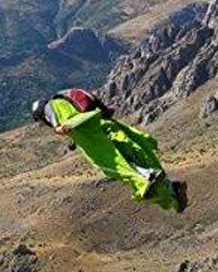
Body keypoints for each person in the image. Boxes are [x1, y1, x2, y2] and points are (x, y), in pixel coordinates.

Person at [31, 89, 188, 213]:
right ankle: (172, 190)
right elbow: (92, 107)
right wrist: (73, 141)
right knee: (133, 155)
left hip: (92, 133)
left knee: (111, 165)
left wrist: (59, 129)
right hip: (105, 124)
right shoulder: (64, 97)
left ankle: (147, 177)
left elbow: (60, 125)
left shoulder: (49, 107)